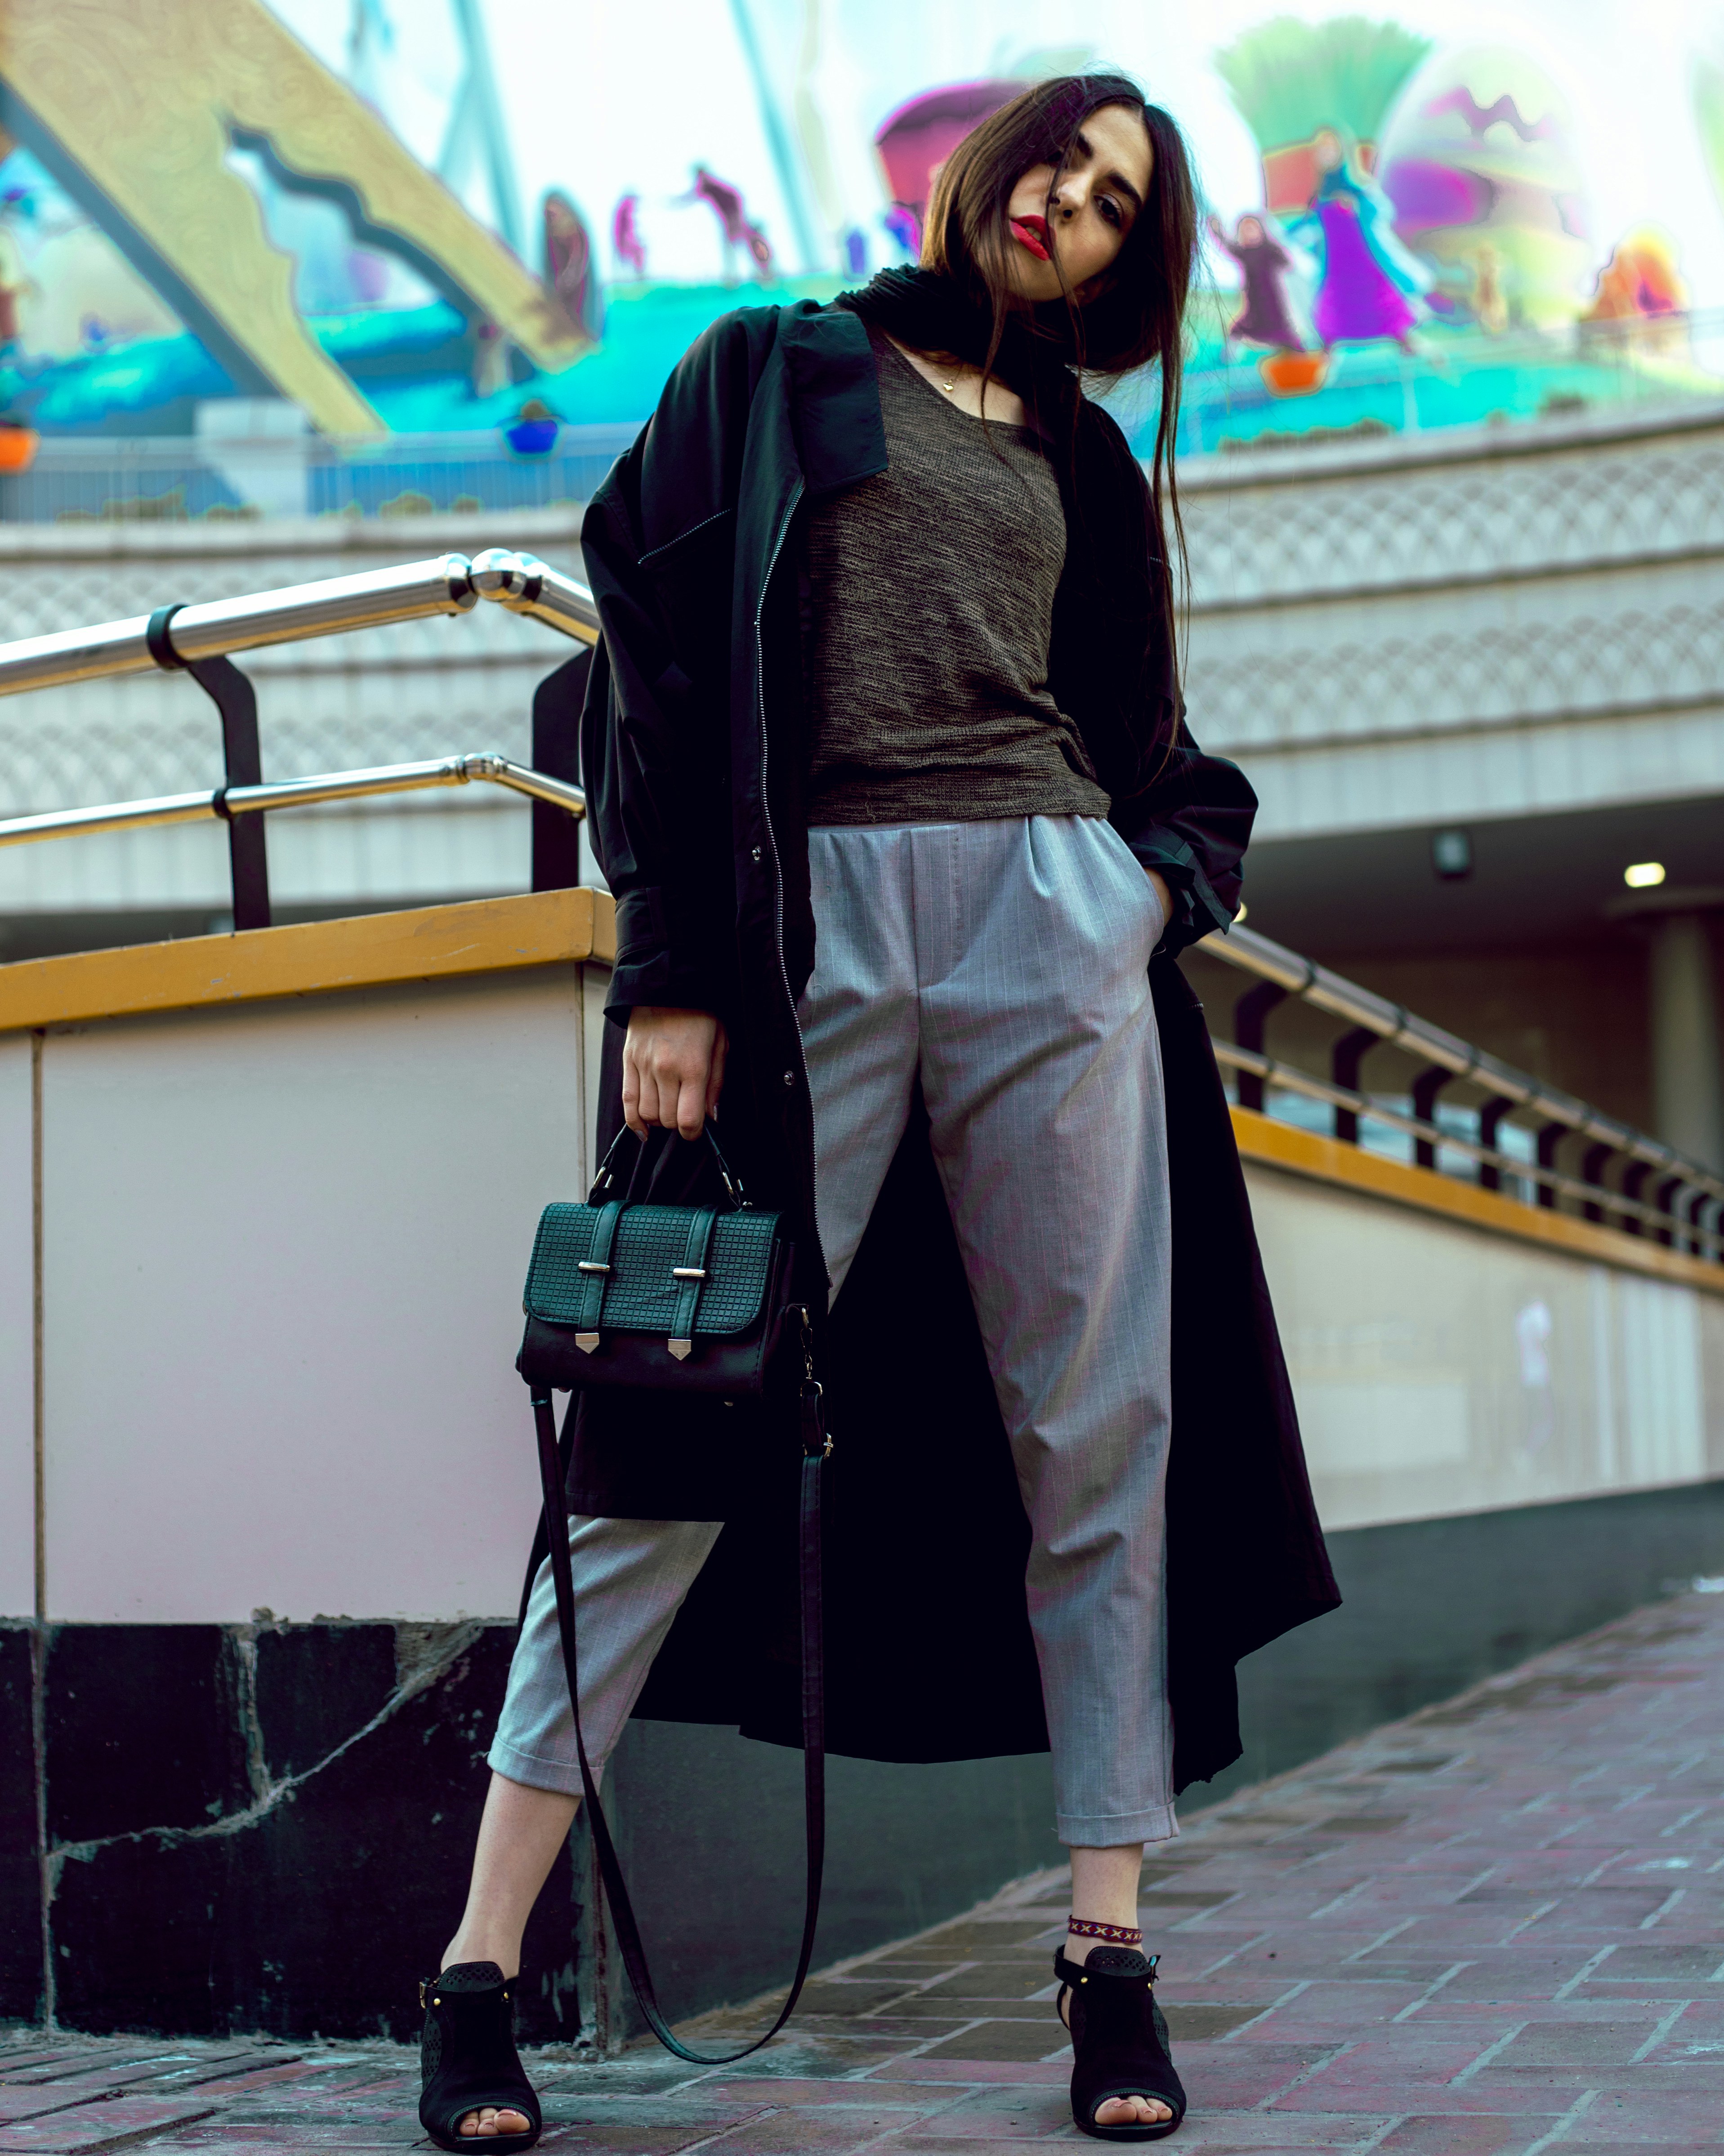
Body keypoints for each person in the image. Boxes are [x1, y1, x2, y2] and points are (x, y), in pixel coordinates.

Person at [417, 72, 1336, 2150]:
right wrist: (665, 965)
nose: (1072, 214)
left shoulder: (1088, 460)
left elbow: (1150, 736)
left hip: (1043, 923)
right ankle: (472, 1963)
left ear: (1128, 259)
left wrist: (1129, 892)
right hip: (796, 928)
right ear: (989, 161)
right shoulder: (770, 365)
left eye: (1118, 209)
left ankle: (1106, 1953)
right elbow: (644, 655)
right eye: (1061, 168)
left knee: (1096, 1432)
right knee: (663, 1411)